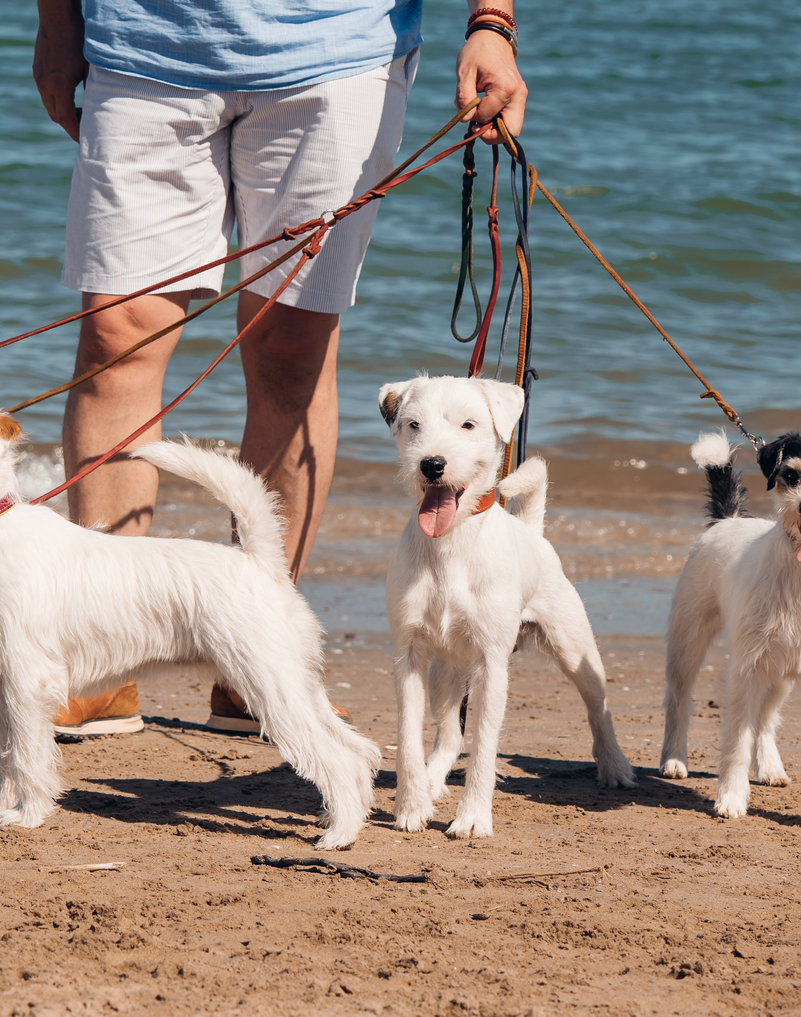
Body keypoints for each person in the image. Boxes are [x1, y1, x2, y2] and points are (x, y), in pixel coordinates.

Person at [33, 0, 527, 735]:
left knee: (292, 355)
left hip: (337, 49)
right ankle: (102, 659)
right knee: (117, 338)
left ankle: (254, 661)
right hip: (144, 43)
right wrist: (58, 25)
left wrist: (491, 21)